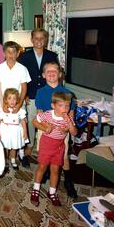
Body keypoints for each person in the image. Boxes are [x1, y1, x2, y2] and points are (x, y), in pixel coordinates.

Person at [35, 61, 77, 198]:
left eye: (54, 71)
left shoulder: (67, 93)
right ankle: (44, 173)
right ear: (43, 75)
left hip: (62, 130)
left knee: (63, 156)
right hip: (46, 128)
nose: (52, 73)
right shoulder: (40, 92)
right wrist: (45, 127)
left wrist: (66, 127)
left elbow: (71, 113)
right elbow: (39, 112)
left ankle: (68, 181)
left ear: (59, 74)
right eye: (48, 71)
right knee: (43, 155)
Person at [30, 92, 77, 207]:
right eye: (61, 106)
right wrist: (45, 128)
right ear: (53, 106)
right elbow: (34, 121)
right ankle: (35, 189)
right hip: (47, 144)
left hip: (59, 146)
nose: (65, 109)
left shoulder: (68, 118)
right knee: (42, 167)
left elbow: (74, 132)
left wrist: (68, 125)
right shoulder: (47, 114)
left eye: (67, 106)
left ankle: (52, 192)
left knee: (55, 170)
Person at [17, 28, 59, 158]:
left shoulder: (52, 56)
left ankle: (44, 145)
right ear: (32, 40)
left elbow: (55, 76)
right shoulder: (24, 56)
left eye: (42, 38)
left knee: (48, 121)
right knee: (31, 120)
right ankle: (29, 145)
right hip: (31, 95)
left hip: (48, 95)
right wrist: (24, 95)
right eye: (36, 38)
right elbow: (20, 78)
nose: (39, 41)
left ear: (45, 40)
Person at [0, 88, 28, 170]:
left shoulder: (20, 111)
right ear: (5, 100)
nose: (12, 101)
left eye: (14, 98)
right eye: (9, 98)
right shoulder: (2, 110)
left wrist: (25, 132)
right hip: (5, 130)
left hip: (16, 131)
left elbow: (23, 121)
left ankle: (13, 160)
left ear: (17, 100)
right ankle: (5, 161)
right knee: (5, 147)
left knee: (14, 147)